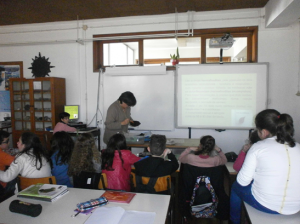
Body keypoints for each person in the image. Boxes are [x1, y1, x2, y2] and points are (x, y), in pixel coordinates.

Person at [230, 109, 300, 224]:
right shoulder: (298, 146)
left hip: (267, 205)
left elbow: (242, 182)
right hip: (296, 207)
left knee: (235, 188)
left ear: (263, 132)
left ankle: (234, 221)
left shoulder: (258, 147)